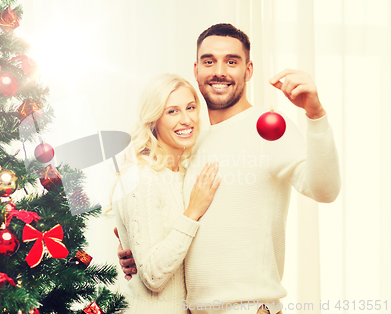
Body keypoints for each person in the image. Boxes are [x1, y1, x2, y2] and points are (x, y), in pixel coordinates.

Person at [116, 23, 341, 314]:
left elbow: (326, 190)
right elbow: (182, 223)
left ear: (248, 71)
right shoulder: (191, 143)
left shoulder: (270, 128)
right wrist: (139, 248)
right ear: (196, 70)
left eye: (231, 62)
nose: (219, 71)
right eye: (209, 61)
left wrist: (315, 114)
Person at [111, 73, 222, 313]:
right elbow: (152, 276)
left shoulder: (181, 173)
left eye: (190, 108)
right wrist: (193, 211)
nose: (186, 120)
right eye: (172, 111)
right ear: (154, 120)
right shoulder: (142, 177)